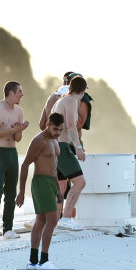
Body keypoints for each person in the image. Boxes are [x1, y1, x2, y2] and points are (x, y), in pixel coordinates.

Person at [16, 113, 65, 269]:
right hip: (40, 182)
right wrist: (21, 192)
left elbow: (54, 168)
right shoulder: (39, 141)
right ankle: (43, 260)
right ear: (47, 125)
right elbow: (25, 165)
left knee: (41, 221)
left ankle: (33, 261)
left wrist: (58, 189)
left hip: (51, 182)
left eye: (60, 130)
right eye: (55, 129)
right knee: (52, 220)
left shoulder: (54, 140)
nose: (58, 133)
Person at [0, 81, 29, 239]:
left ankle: (8, 228)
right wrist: (14, 129)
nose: (22, 95)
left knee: (11, 191)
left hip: (12, 152)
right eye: (19, 91)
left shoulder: (19, 111)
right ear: (11, 92)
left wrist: (19, 130)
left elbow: (17, 138)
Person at [51, 76, 87, 231]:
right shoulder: (72, 101)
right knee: (80, 182)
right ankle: (66, 218)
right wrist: (78, 147)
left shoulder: (60, 101)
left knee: (62, 184)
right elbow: (72, 126)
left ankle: (53, 218)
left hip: (53, 146)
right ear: (83, 92)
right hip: (62, 146)